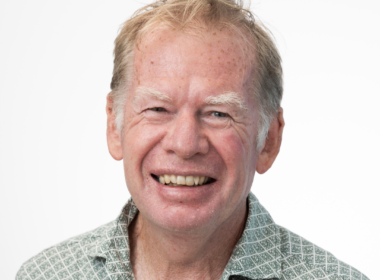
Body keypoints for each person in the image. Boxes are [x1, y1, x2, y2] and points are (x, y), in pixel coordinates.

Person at [16, 0, 369, 279]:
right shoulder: (44, 275)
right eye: (157, 108)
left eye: (218, 113)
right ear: (115, 126)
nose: (184, 145)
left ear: (269, 139)